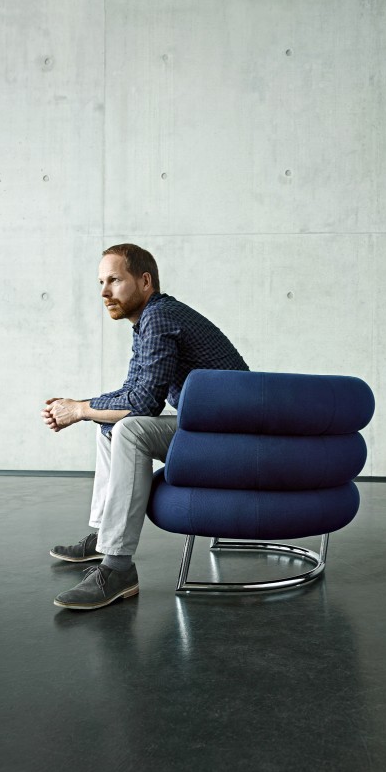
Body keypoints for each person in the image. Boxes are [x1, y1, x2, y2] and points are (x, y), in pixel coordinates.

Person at [42, 244, 249, 610]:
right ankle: (104, 537)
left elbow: (143, 404)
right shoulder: (148, 321)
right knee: (108, 424)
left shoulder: (160, 317)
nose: (104, 292)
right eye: (101, 282)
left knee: (130, 429)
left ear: (145, 281)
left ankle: (118, 567)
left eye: (114, 280)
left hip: (233, 438)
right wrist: (79, 407)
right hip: (210, 429)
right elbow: (132, 392)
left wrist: (80, 410)